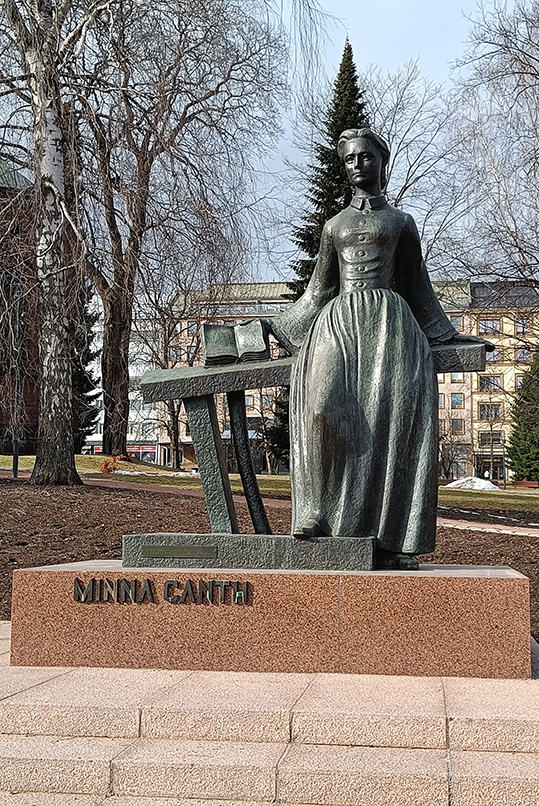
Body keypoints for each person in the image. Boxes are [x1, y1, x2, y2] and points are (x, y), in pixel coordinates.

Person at [268, 128, 491, 569]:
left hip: (390, 327)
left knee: (390, 425)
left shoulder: (401, 223)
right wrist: (274, 327)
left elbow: (417, 286)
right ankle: (317, 513)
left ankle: (390, 539)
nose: (358, 165)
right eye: (350, 159)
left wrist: (449, 333)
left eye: (365, 157)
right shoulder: (334, 226)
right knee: (321, 411)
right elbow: (318, 291)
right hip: (339, 323)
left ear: (381, 163)